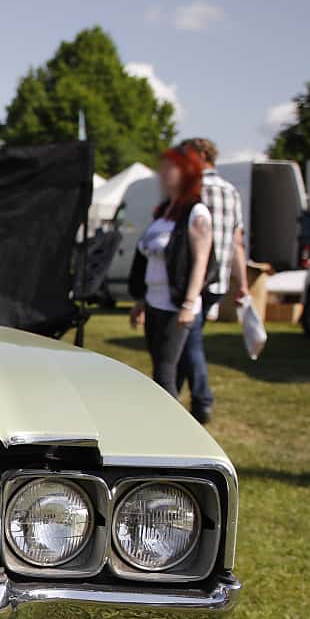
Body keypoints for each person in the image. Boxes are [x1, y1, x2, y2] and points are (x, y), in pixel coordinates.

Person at [128, 146, 214, 409]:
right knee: (162, 369)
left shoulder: (196, 214)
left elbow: (201, 260)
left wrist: (189, 304)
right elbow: (149, 258)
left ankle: (176, 431)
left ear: (187, 172)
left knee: (165, 374)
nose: (162, 174)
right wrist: (141, 300)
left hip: (176, 305)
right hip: (154, 302)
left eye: (169, 168)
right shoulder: (164, 212)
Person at [177, 138, 251, 423]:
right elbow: (237, 243)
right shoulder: (232, 192)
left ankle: (202, 399)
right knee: (186, 340)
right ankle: (171, 393)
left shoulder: (191, 189)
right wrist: (241, 282)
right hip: (217, 281)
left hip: (191, 279)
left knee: (190, 341)